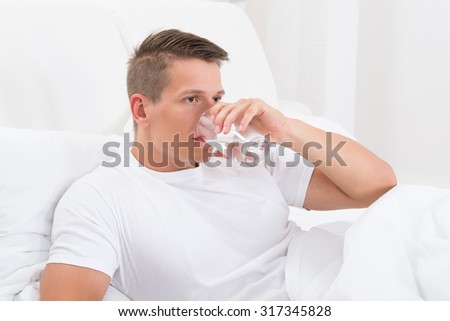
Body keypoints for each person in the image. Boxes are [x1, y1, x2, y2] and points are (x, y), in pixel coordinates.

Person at [40, 29, 396, 300]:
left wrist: (286, 128)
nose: (210, 113)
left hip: (338, 278)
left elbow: (378, 186)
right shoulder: (100, 198)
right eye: (191, 98)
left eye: (217, 98)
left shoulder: (244, 156)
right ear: (141, 109)